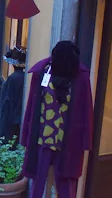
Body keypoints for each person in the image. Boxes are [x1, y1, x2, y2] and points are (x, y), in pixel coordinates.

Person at [20, 41, 93, 198]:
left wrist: (85, 141)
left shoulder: (80, 77)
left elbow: (87, 109)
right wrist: (26, 135)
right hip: (42, 138)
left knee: (67, 187)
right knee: (37, 184)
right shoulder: (42, 73)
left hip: (68, 142)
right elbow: (32, 107)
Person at [0, 46, 26, 146]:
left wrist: (0, 118)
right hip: (16, 117)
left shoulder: (13, 78)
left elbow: (7, 101)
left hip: (10, 117)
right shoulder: (22, 77)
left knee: (8, 142)